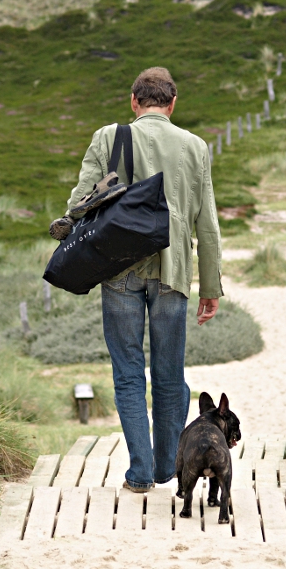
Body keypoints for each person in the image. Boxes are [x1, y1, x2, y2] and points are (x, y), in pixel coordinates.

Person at [64, 67, 223, 493]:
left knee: (128, 374)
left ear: (134, 102)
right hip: (173, 273)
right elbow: (206, 222)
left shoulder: (107, 138)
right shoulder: (195, 146)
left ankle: (139, 474)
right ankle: (168, 469)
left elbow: (79, 202)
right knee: (170, 375)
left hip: (118, 270)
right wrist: (210, 286)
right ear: (172, 105)